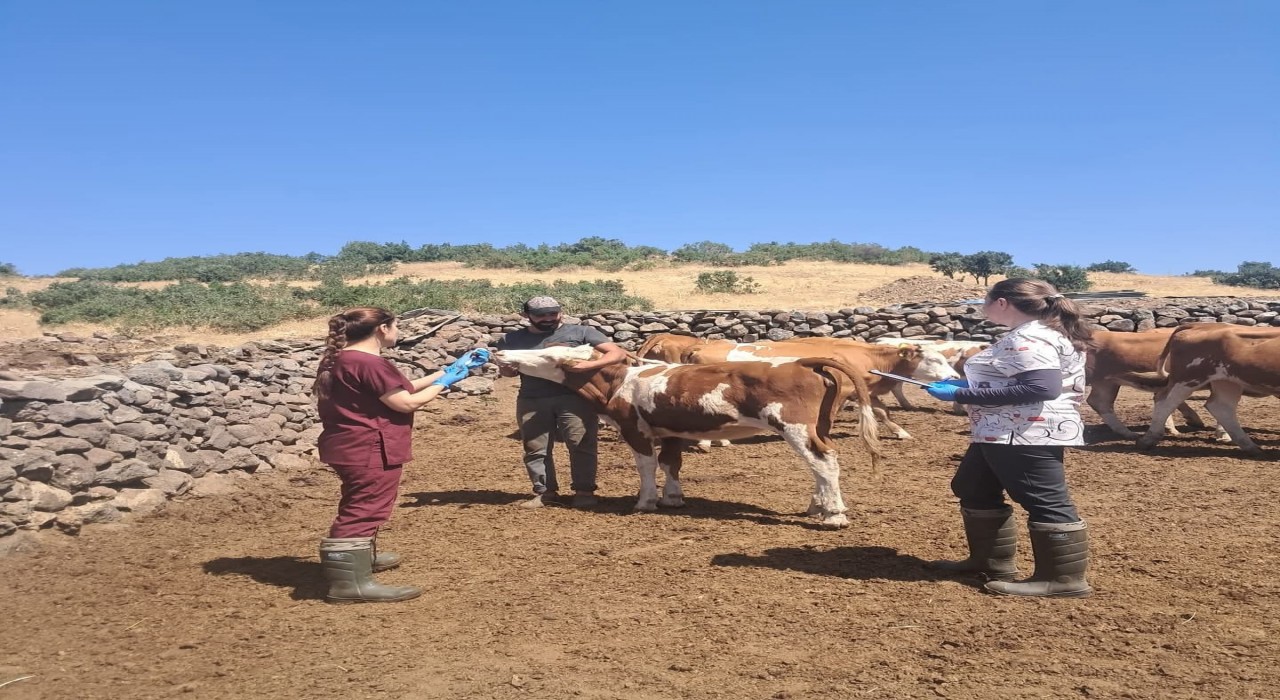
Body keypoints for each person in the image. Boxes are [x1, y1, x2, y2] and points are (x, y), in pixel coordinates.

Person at [921, 279, 1095, 598]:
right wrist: (963, 384)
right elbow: (1015, 378)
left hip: (1025, 431)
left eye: (984, 300)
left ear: (1002, 303)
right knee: (972, 486)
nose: (981, 306)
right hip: (1003, 429)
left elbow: (1042, 387)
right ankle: (990, 560)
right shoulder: (1037, 334)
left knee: (1045, 501)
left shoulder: (1029, 338)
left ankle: (1064, 579)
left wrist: (962, 393)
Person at [312, 307, 489, 604]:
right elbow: (405, 402)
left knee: (360, 501)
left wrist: (449, 370)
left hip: (347, 444)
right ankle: (349, 584)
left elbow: (399, 388)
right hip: (369, 446)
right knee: (364, 508)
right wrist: (444, 384)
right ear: (382, 328)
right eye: (396, 326)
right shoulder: (369, 363)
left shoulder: (342, 358)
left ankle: (359, 562)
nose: (398, 332)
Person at [495, 296, 627, 509]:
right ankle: (545, 492)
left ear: (560, 312)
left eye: (552, 313)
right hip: (532, 398)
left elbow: (617, 353)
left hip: (576, 398)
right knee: (535, 448)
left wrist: (586, 366)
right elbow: (509, 373)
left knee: (581, 444)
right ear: (526, 316)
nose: (548, 318)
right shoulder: (512, 340)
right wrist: (506, 369)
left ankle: (584, 491)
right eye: (541, 315)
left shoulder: (581, 332)